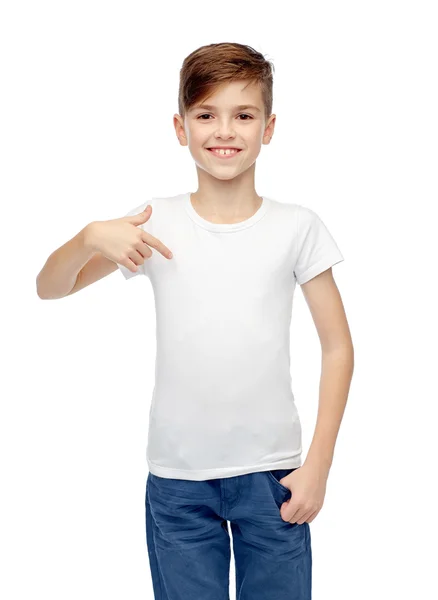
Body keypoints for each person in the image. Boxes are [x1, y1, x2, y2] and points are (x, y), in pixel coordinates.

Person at [36, 42, 354, 600]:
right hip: (179, 482)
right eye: (206, 114)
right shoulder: (154, 222)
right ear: (180, 128)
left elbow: (337, 348)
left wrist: (319, 465)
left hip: (274, 478)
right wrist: (90, 236)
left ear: (269, 126)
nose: (224, 130)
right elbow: (50, 288)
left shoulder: (298, 227)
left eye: (244, 114)